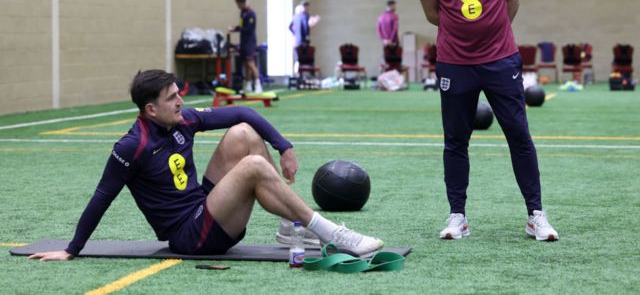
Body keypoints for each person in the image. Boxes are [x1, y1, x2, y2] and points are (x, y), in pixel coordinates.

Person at [27, 69, 384, 261]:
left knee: (243, 133)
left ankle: (293, 226)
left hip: (204, 207)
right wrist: (72, 249)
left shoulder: (182, 120)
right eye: (173, 98)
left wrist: (284, 146)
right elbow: (102, 195)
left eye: (179, 93)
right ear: (151, 109)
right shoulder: (132, 146)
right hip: (189, 237)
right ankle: (333, 235)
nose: (182, 101)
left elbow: (244, 112)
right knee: (251, 167)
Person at [415, 0, 558, 241]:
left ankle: (535, 215)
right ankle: (457, 217)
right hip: (453, 63)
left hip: (500, 60)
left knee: (519, 135)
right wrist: (463, 35)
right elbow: (433, 13)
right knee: (455, 141)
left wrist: (494, 34)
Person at [229, 0, 262, 94]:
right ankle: (248, 85)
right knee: (246, 65)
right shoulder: (242, 13)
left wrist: (238, 30)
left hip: (250, 42)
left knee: (251, 64)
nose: (237, 6)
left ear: (242, 3)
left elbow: (249, 29)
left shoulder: (251, 13)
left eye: (238, 4)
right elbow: (242, 25)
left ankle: (258, 85)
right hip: (243, 42)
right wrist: (234, 29)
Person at [289, 0, 320, 70]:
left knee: (298, 59)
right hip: (303, 41)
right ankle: (308, 73)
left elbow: (290, 27)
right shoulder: (305, 16)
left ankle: (297, 74)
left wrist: (295, 34)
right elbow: (306, 28)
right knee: (306, 59)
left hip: (297, 41)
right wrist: (313, 24)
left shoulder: (295, 16)